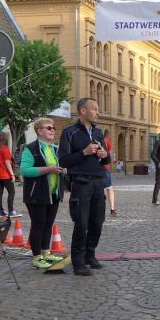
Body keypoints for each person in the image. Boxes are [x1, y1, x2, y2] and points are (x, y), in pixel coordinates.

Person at [58, 97, 110, 276]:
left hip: (98, 182)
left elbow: (107, 159)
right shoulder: (69, 132)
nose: (98, 112)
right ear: (83, 111)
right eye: (94, 109)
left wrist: (105, 155)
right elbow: (63, 161)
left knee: (97, 222)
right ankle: (78, 262)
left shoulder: (97, 132)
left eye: (97, 109)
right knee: (81, 223)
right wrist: (84, 152)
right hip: (81, 183)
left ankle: (90, 255)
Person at [20, 118, 66, 269]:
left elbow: (61, 165)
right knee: (38, 225)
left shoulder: (55, 148)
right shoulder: (30, 148)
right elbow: (25, 170)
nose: (53, 130)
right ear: (39, 131)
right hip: (36, 193)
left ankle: (46, 252)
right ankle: (37, 257)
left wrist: (64, 170)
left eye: (53, 128)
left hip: (53, 193)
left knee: (48, 224)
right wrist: (48, 169)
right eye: (49, 128)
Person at [0, 131, 18, 217]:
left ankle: (1, 211)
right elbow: (7, 162)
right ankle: (11, 210)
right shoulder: (5, 148)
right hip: (5, 175)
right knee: (11, 192)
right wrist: (12, 174)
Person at [103, 129, 117, 218]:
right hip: (105, 168)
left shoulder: (94, 141)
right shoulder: (107, 142)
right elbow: (111, 156)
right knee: (109, 188)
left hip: (95, 169)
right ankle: (112, 209)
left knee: (97, 189)